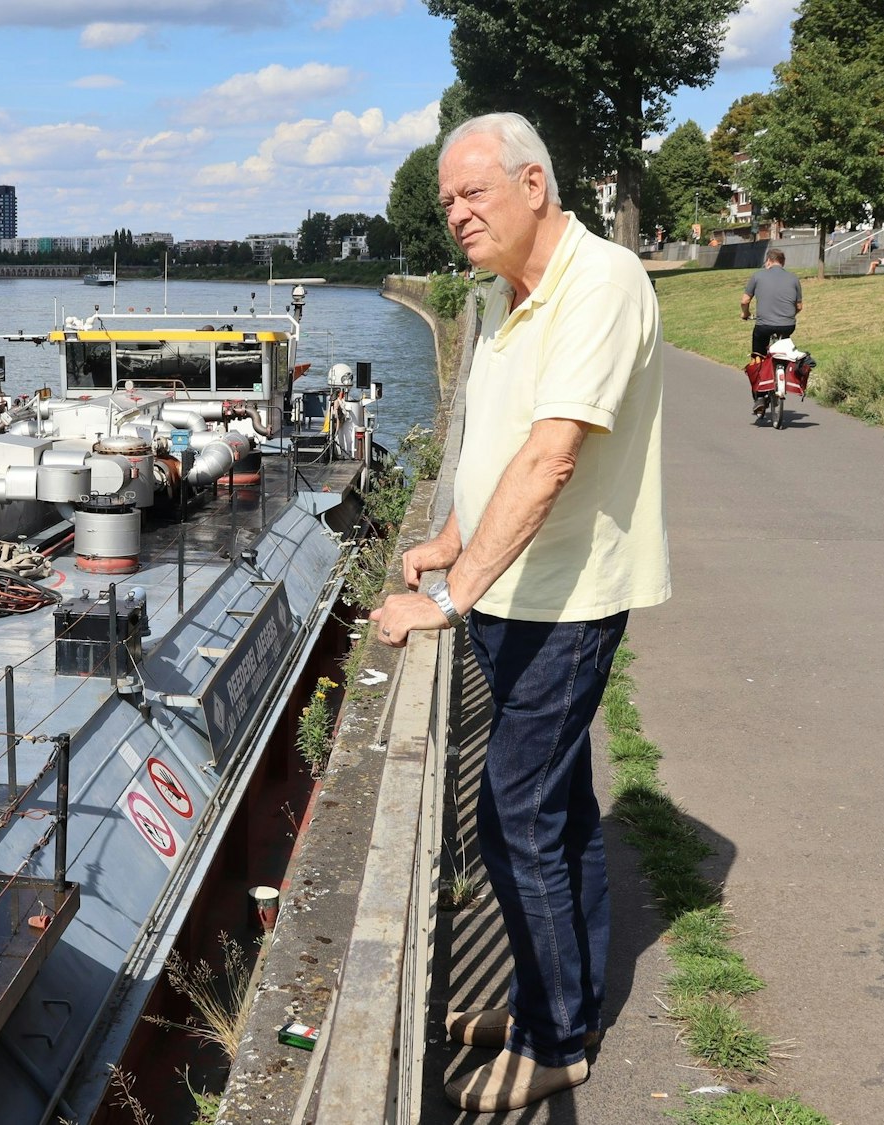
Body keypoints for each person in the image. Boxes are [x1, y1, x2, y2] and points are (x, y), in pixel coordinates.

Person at [370, 112, 671, 1113]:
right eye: (446, 202)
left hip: (566, 602)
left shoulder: (601, 282)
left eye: (473, 193)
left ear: (533, 184)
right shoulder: (505, 297)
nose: (456, 214)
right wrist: (452, 540)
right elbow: (495, 447)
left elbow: (548, 459)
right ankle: (558, 1000)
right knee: (561, 813)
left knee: (513, 815)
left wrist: (443, 597)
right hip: (512, 594)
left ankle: (555, 1040)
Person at [741, 248, 802, 411]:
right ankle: (783, 372)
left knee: (758, 355)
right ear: (783, 263)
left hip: (764, 326)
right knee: (784, 349)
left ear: (768, 261)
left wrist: (745, 314)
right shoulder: (793, 278)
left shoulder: (758, 275)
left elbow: (745, 300)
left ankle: (760, 396)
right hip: (788, 325)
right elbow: (799, 306)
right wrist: (788, 316)